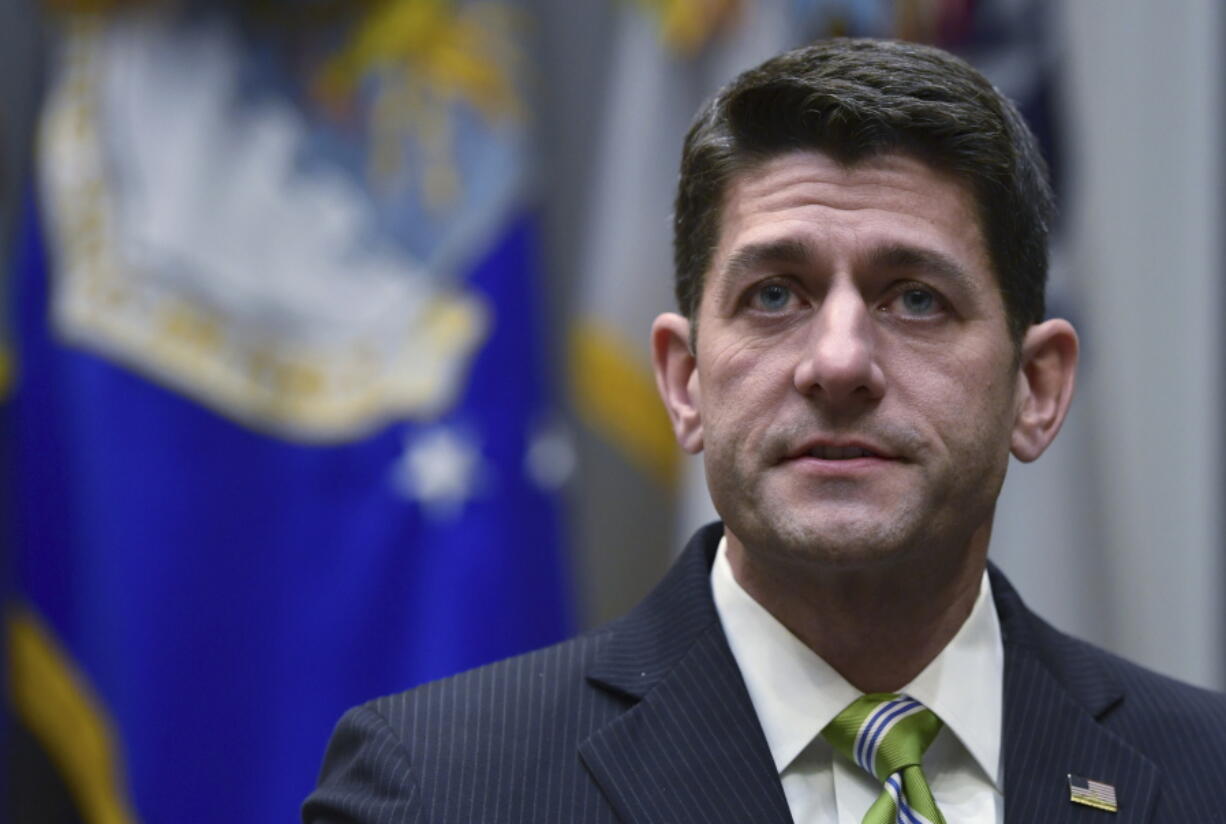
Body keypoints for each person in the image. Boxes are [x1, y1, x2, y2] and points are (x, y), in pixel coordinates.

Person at [304, 38, 1226, 823]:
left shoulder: (1206, 778)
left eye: (915, 298)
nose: (837, 362)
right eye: (774, 294)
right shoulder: (442, 789)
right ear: (686, 381)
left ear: (1036, 388)